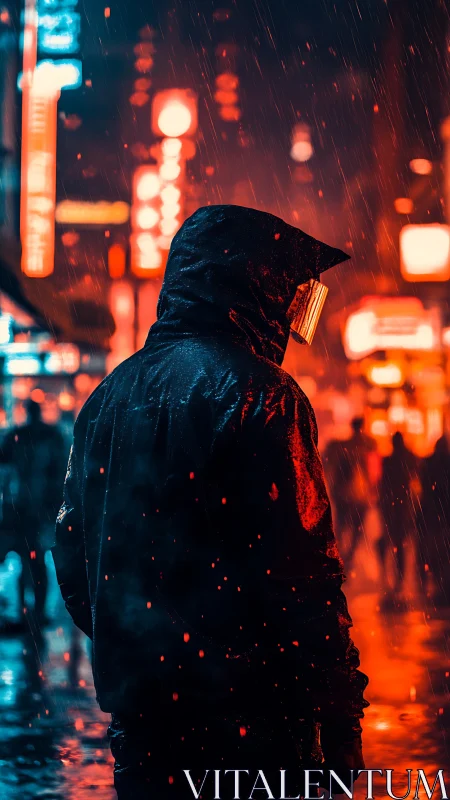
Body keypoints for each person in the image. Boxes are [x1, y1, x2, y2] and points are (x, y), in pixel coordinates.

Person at [52, 205, 368, 799]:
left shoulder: (109, 395)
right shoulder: (262, 393)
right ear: (255, 288)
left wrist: (140, 647)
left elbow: (72, 554)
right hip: (256, 722)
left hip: (144, 722)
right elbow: (303, 574)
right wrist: (339, 712)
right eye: (289, 293)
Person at [0, 399, 66, 625]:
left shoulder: (22, 437)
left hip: (31, 510)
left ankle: (30, 611)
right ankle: (32, 612)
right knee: (32, 561)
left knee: (30, 560)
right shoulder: (46, 436)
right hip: (31, 510)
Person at [324, 417, 379, 567]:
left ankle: (341, 554)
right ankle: (348, 556)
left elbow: (333, 470)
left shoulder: (343, 447)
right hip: (359, 496)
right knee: (356, 528)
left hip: (346, 495)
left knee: (343, 526)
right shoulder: (368, 446)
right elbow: (372, 472)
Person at [378, 432, 420, 600]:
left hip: (391, 507)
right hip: (402, 507)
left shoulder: (389, 460)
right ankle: (398, 577)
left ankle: (389, 574)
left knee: (391, 541)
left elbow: (383, 485)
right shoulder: (407, 459)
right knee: (400, 544)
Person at [417, 434, 450, 604]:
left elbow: (425, 486)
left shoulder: (428, 463)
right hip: (442, 513)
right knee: (442, 550)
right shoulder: (445, 463)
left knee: (431, 549)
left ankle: (433, 582)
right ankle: (441, 584)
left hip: (431, 513)